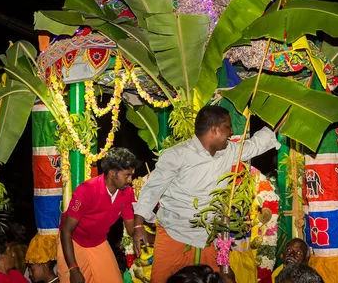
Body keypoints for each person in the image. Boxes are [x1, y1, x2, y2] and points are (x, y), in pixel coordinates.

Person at [133, 105, 280, 282]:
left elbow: (254, 146)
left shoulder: (228, 151)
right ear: (214, 130)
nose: (231, 131)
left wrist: (276, 124)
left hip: (208, 236)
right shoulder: (176, 155)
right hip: (174, 233)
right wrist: (138, 225)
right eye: (228, 126)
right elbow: (152, 189)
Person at [57, 147, 139, 283]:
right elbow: (66, 230)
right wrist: (73, 268)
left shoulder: (127, 192)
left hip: (98, 242)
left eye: (131, 175)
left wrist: (150, 228)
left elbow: (131, 229)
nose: (130, 180)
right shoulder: (86, 191)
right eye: (127, 175)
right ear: (112, 173)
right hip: (74, 242)